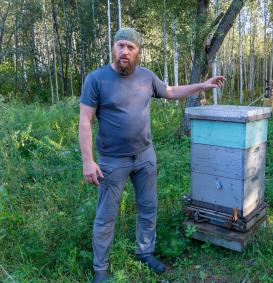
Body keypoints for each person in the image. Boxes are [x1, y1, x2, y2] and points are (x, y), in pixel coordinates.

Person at [79, 27, 225, 283]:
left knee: (148, 207)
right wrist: (88, 161)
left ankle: (145, 252)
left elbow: (169, 92)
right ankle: (100, 269)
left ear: (138, 52)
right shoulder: (96, 79)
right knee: (106, 215)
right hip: (112, 162)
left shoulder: (146, 77)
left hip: (145, 157)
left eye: (130, 47)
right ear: (113, 47)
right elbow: (85, 120)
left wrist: (202, 85)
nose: (124, 51)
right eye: (120, 45)